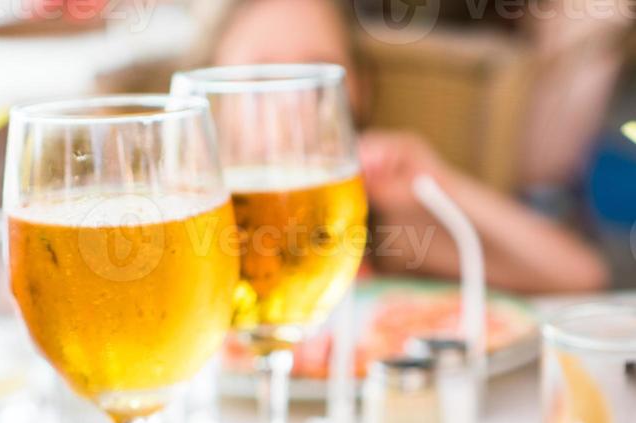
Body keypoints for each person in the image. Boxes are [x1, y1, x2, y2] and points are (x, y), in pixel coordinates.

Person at [209, 0, 609, 293]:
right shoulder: (188, 220)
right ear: (206, 90)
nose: (290, 104)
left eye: (317, 73)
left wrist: (438, 182)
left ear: (357, 91)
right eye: (260, 75)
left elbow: (581, 276)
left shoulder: (373, 223)